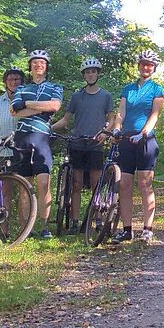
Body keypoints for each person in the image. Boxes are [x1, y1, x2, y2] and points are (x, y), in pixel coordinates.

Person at [51, 57, 114, 234]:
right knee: (76, 184)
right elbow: (65, 120)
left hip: (95, 144)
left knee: (96, 183)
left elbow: (111, 118)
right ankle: (75, 221)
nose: (90, 74)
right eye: (87, 72)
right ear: (84, 75)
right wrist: (48, 128)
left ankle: (98, 220)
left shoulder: (106, 96)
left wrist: (106, 132)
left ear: (98, 74)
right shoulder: (77, 96)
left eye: (93, 71)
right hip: (77, 142)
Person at [109, 50, 164, 244]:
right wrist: (116, 129)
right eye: (143, 64)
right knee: (124, 185)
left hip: (146, 141)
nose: (146, 67)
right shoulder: (128, 89)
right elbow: (121, 114)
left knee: (144, 184)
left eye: (150, 64)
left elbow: (155, 115)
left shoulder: (157, 89)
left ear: (154, 68)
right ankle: (127, 229)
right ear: (139, 65)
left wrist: (143, 133)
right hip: (126, 139)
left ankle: (147, 228)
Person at [10, 49, 64, 239]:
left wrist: (28, 105)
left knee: (43, 183)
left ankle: (45, 226)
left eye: (42, 62)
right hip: (22, 136)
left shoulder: (56, 87)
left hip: (42, 137)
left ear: (46, 66)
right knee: (24, 184)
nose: (38, 65)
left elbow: (55, 106)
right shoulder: (21, 89)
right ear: (30, 66)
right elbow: (15, 112)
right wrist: (42, 107)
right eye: (34, 62)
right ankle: (26, 229)